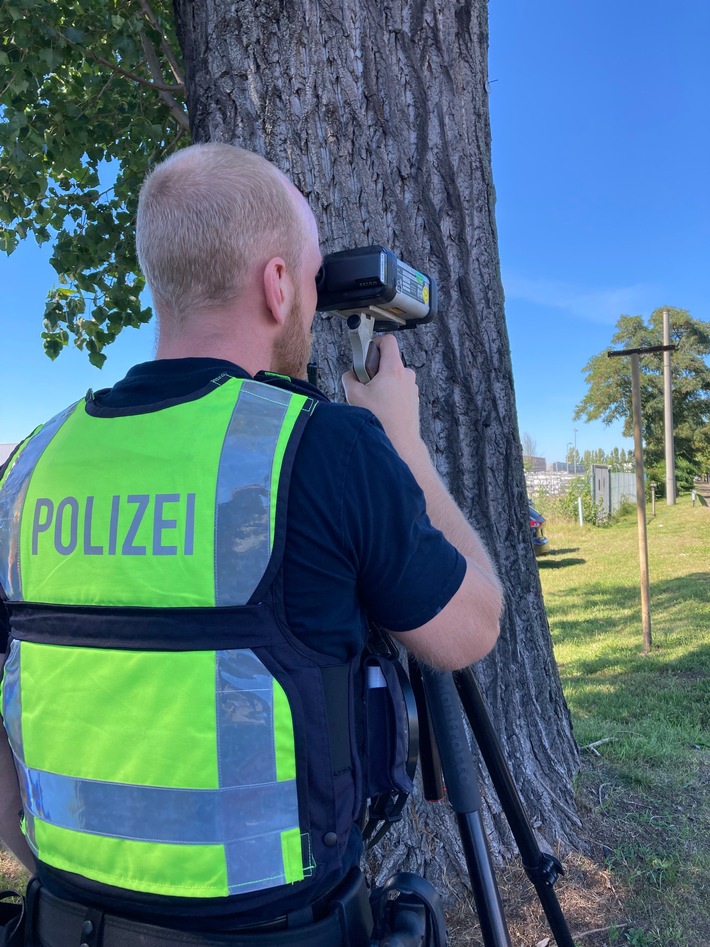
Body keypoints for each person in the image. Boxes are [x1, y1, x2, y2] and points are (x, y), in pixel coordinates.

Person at [0, 143, 502, 945]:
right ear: (276, 286)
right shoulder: (325, 446)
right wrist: (402, 443)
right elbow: (469, 628)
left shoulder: (30, 467)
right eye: (307, 276)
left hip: (66, 924)